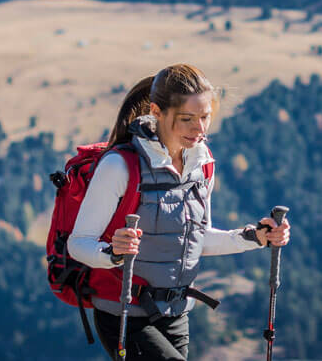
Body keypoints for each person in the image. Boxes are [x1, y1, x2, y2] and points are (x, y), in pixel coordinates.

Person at [68, 63, 292, 361]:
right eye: (187, 118)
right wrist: (114, 253)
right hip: (123, 314)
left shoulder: (203, 164)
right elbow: (78, 243)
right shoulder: (120, 166)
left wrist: (256, 237)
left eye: (205, 118)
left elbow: (199, 240)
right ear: (157, 112)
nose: (199, 129)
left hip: (176, 314)